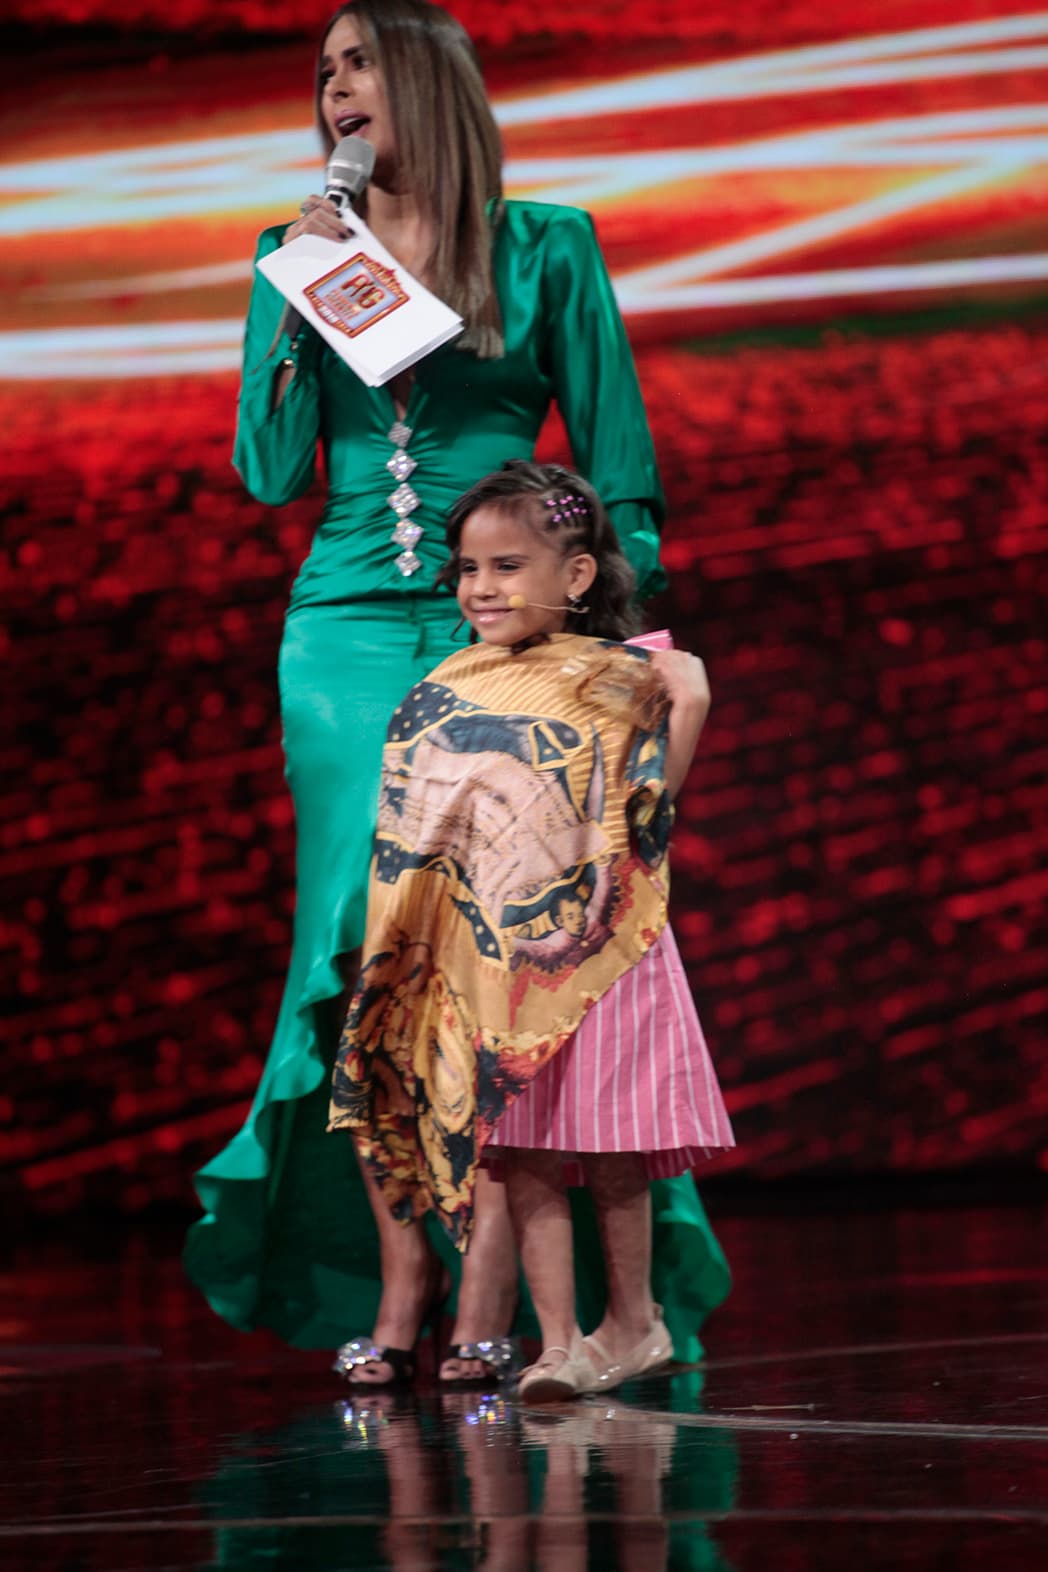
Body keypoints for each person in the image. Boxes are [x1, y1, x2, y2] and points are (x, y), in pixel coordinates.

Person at [184, 0, 731, 1384]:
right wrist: (288, 300)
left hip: (520, 627)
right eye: (320, 73)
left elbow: (615, 451)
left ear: (423, 82)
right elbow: (265, 470)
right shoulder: (296, 252)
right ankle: (397, 1286)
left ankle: (509, 1312)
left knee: (516, 951)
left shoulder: (549, 244)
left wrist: (626, 638)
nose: (332, 92)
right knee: (372, 948)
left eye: (356, 64)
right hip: (351, 629)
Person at [330, 460, 734, 1402]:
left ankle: (633, 1323)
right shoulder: (451, 682)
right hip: (493, 960)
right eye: (468, 570)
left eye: (508, 567)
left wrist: (693, 706)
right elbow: (418, 833)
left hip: (603, 950)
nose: (481, 590)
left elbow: (649, 816)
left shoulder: (630, 672)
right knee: (525, 1149)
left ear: (578, 578)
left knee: (614, 1146)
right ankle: (559, 1343)